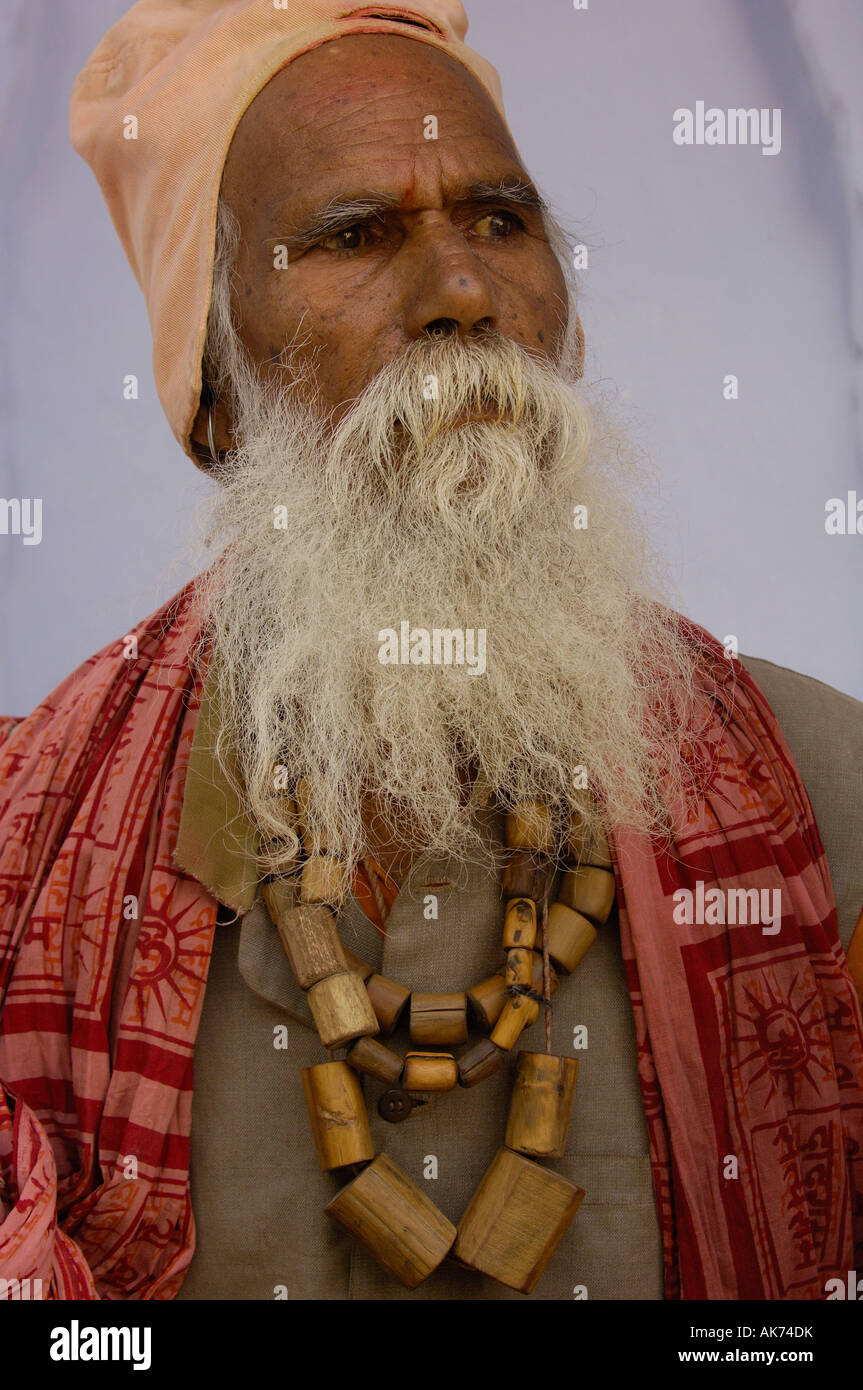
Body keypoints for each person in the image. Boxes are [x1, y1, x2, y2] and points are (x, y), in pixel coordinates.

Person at [1, 0, 862, 1302]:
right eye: (355, 236)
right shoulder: (33, 860)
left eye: (500, 220)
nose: (464, 292)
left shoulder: (827, 803)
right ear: (213, 386)